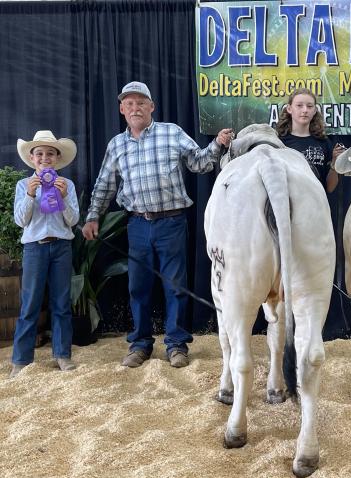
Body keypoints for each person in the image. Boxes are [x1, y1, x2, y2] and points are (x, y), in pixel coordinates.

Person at [81, 81, 233, 369]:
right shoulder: (117, 144)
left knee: (175, 286)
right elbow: (104, 185)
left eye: (141, 102)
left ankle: (176, 345)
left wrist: (216, 145)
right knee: (138, 287)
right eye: (129, 103)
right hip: (137, 224)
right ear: (121, 109)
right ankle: (140, 345)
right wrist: (92, 217)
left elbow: (199, 164)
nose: (135, 107)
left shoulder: (171, 133)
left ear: (152, 106)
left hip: (171, 222)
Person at [10, 130, 80, 378]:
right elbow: (20, 220)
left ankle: (62, 355)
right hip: (34, 248)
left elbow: (72, 220)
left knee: (61, 303)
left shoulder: (66, 185)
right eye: (39, 153)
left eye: (50, 153)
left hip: (61, 247)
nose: (44, 157)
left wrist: (63, 196)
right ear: (32, 158)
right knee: (29, 304)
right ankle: (21, 359)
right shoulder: (23, 185)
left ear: (57, 158)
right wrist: (30, 193)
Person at [276, 88, 345, 193]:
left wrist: (334, 163)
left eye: (309, 106)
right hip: (289, 206)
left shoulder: (324, 142)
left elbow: (329, 188)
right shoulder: (279, 143)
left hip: (318, 206)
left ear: (314, 110)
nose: (305, 110)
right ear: (289, 109)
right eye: (299, 105)